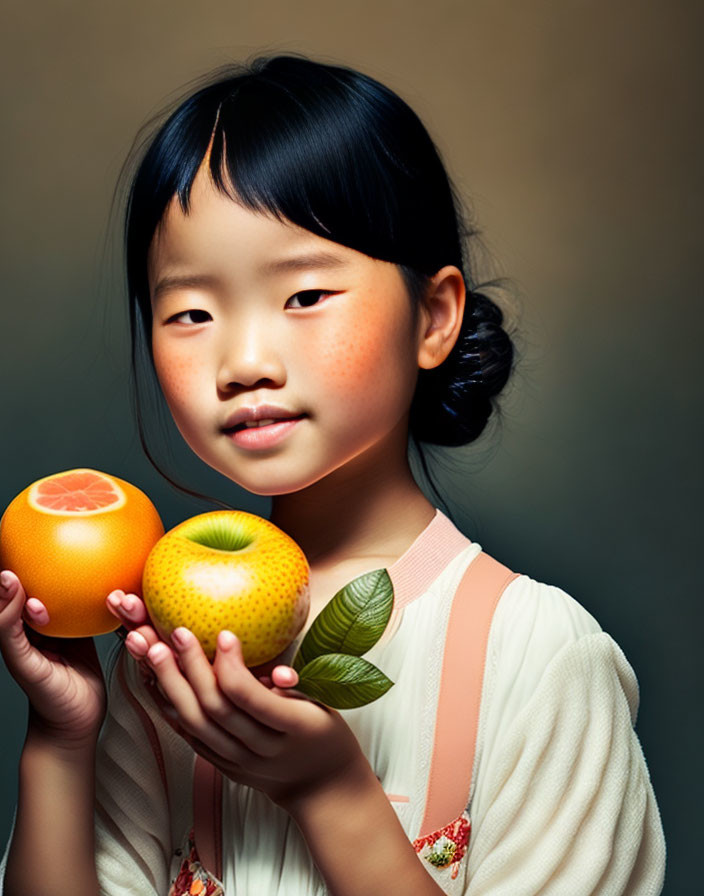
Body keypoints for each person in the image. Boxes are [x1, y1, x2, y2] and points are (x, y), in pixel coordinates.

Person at [0, 53, 666, 895]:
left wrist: (333, 793)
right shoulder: (166, 656)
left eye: (305, 295)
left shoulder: (539, 656)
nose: (243, 361)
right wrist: (61, 740)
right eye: (192, 313)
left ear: (432, 318)